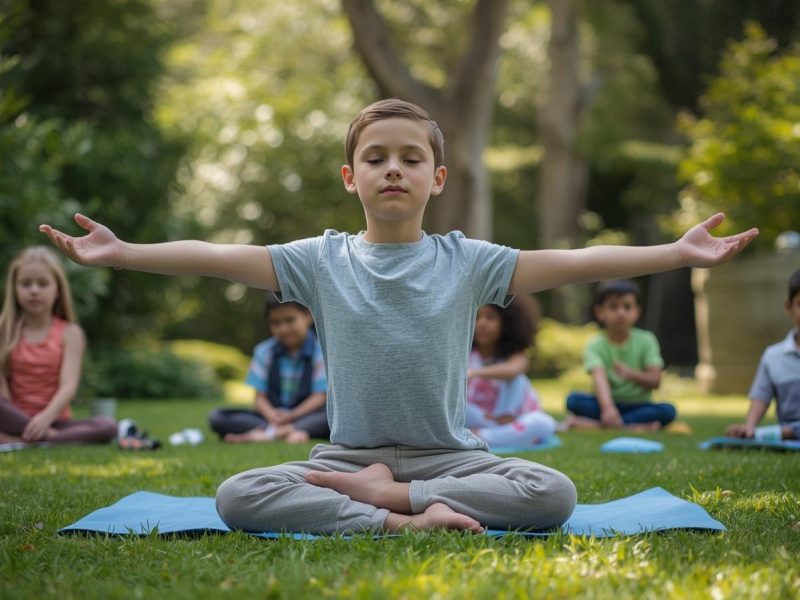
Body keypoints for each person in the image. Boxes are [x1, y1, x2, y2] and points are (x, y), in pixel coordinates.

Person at [40, 98, 758, 534]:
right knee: (238, 494)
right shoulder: (319, 260)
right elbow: (217, 256)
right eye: (376, 157)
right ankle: (387, 520)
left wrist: (676, 251)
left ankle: (399, 500)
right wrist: (125, 252)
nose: (393, 168)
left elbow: (573, 259)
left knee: (554, 492)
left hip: (451, 457)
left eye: (410, 159)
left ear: (435, 179)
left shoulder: (467, 260)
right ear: (351, 177)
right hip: (345, 460)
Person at [0, 247, 117, 445]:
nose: (34, 290)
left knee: (108, 426)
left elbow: (69, 385)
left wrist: (45, 419)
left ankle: (23, 440)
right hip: (11, 417)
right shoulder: (4, 328)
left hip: (55, 420)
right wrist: (16, 419)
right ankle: (39, 438)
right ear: (14, 288)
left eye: (43, 283)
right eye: (26, 284)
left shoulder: (71, 333)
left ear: (57, 290)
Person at [208, 293, 328, 444]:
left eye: (290, 320)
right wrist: (271, 414)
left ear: (308, 316)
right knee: (218, 417)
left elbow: (320, 397)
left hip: (307, 414)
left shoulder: (321, 350)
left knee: (333, 416)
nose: (283, 329)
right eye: (275, 323)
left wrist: (292, 415)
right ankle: (289, 431)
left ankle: (270, 433)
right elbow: (259, 398)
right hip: (272, 418)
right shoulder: (264, 351)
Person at [564, 279, 677, 431]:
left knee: (668, 410)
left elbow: (655, 380)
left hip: (639, 405)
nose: (621, 313)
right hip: (604, 404)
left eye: (627, 307)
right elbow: (599, 377)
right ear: (600, 312)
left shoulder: (647, 340)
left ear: (637, 311)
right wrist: (608, 409)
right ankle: (634, 426)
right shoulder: (595, 344)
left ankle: (598, 426)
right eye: (613, 307)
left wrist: (630, 374)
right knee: (573, 400)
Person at [466, 296, 556, 449]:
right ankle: (496, 435)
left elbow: (512, 370)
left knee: (544, 423)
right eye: (477, 317)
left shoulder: (516, 356)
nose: (482, 323)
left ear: (507, 323)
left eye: (490, 317)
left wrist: (474, 373)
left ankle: (477, 437)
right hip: (483, 419)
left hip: (514, 420)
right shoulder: (467, 355)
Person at [726, 267, 800, 440]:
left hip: (786, 431)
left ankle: (782, 433)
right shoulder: (773, 356)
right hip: (788, 426)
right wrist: (749, 427)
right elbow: (761, 397)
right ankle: (774, 433)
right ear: (788, 307)